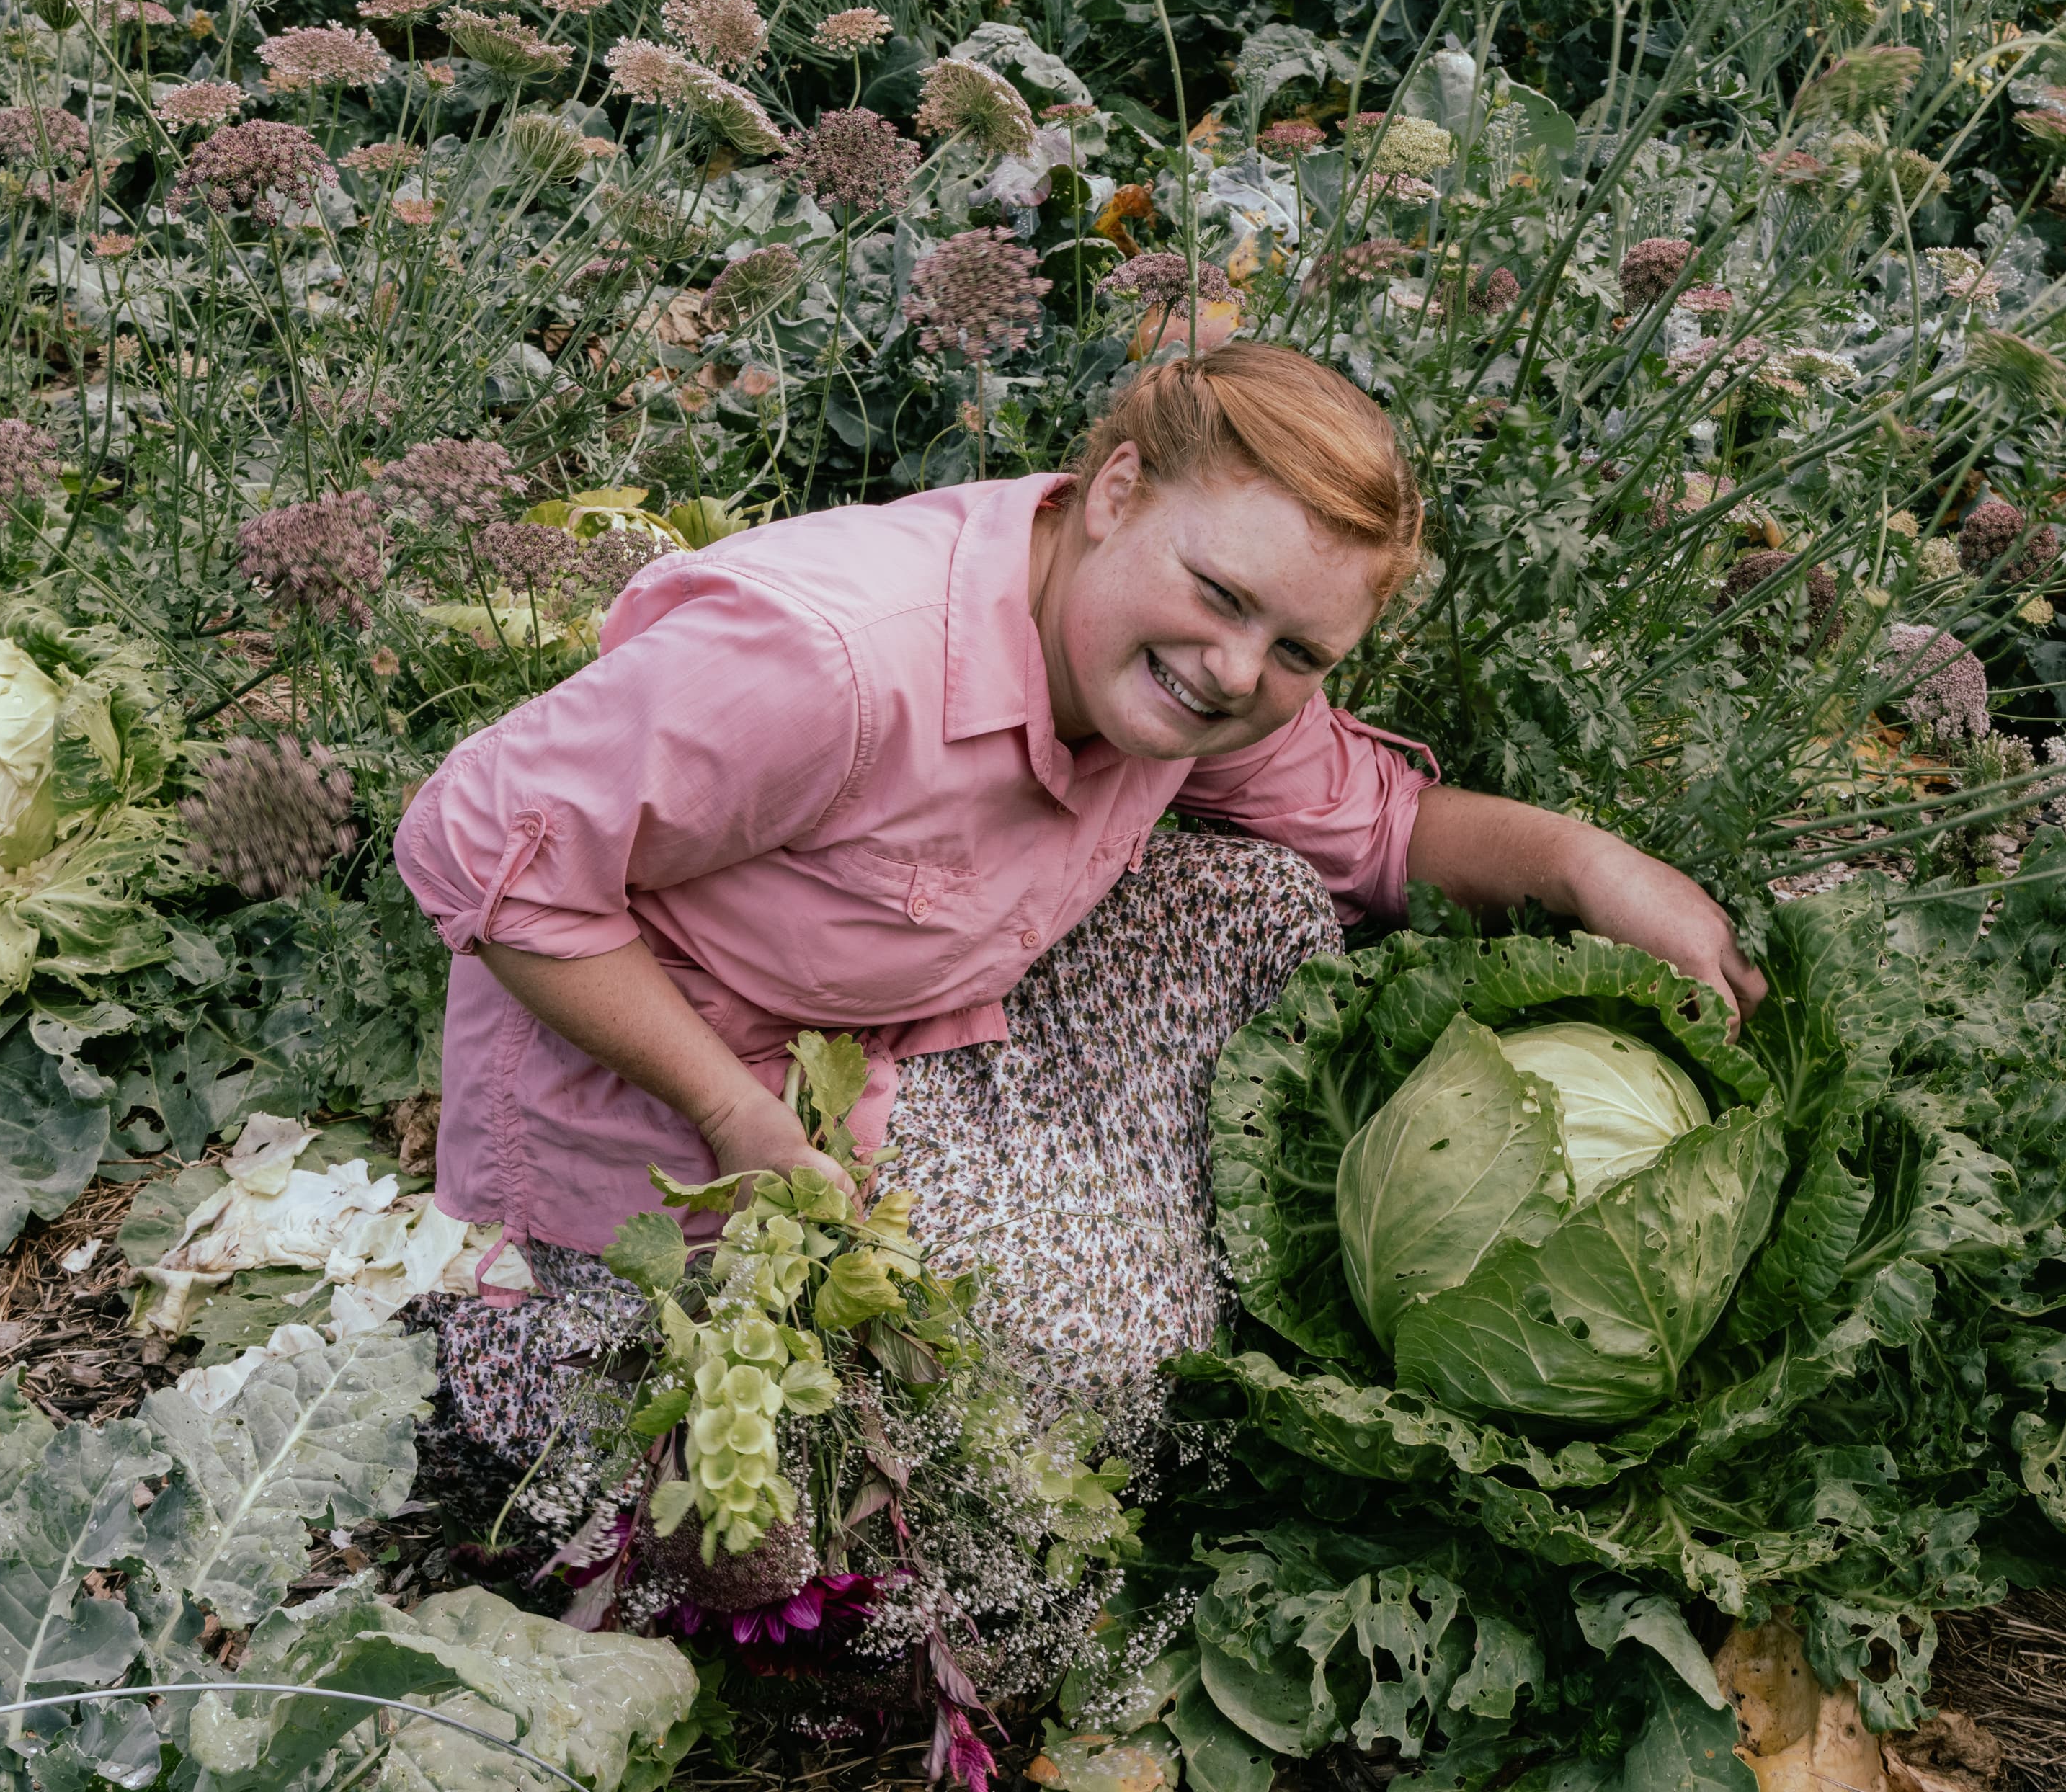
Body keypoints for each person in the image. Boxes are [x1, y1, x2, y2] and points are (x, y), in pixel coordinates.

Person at [393, 343, 1764, 1523]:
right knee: (1092, 1360)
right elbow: (479, 849)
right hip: (678, 1112)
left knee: (1270, 900)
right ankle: (583, 1349)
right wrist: (729, 1119)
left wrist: (1597, 865)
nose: (1240, 671)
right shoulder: (832, 662)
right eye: (1222, 596)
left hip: (888, 1013)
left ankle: (1085, 1219)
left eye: (1300, 653)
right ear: (1115, 492)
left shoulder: (1141, 651)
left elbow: (1378, 831)